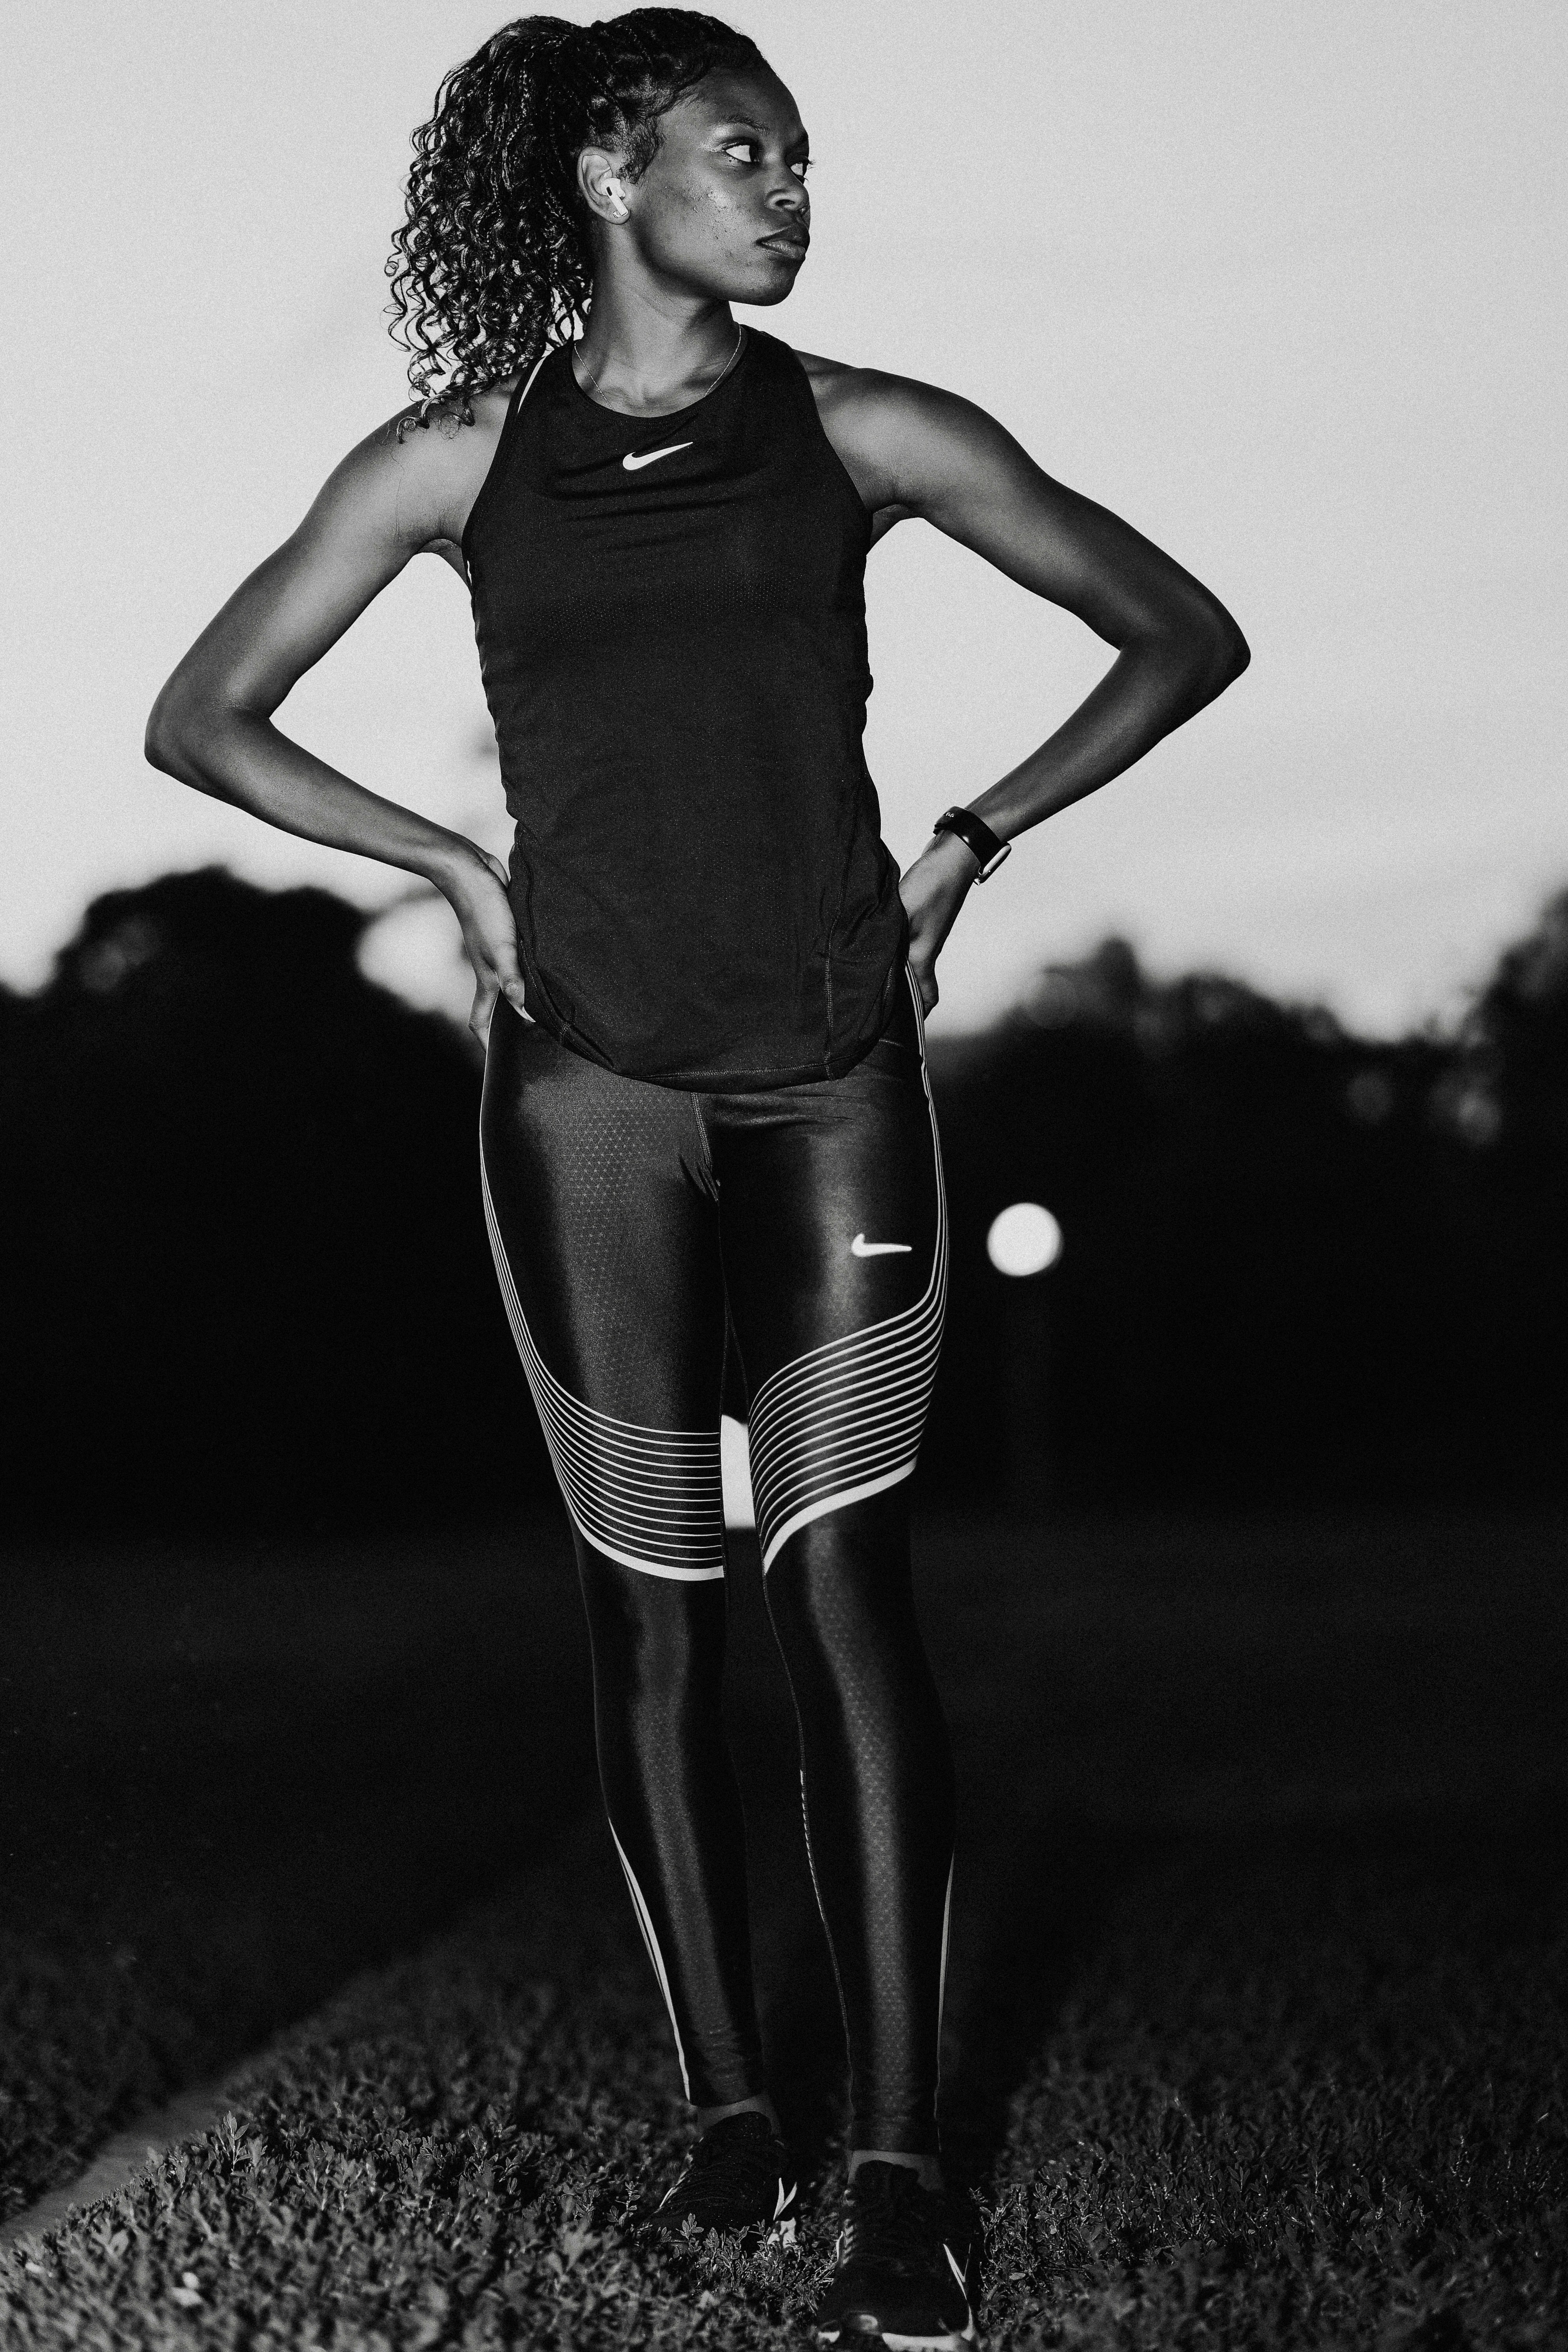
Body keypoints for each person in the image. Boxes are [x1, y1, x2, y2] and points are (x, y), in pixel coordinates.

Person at [146, 11, 1248, 2343]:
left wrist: (972, 839)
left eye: (803, 162)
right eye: (746, 153)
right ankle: (732, 2102)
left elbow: (1182, 630)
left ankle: (900, 2170)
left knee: (840, 1588)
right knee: (650, 1606)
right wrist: (446, 857)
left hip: (832, 1073)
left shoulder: (867, 428)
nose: (791, 191)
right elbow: (205, 717)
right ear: (607, 165)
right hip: (585, 1099)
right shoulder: (459, 460)